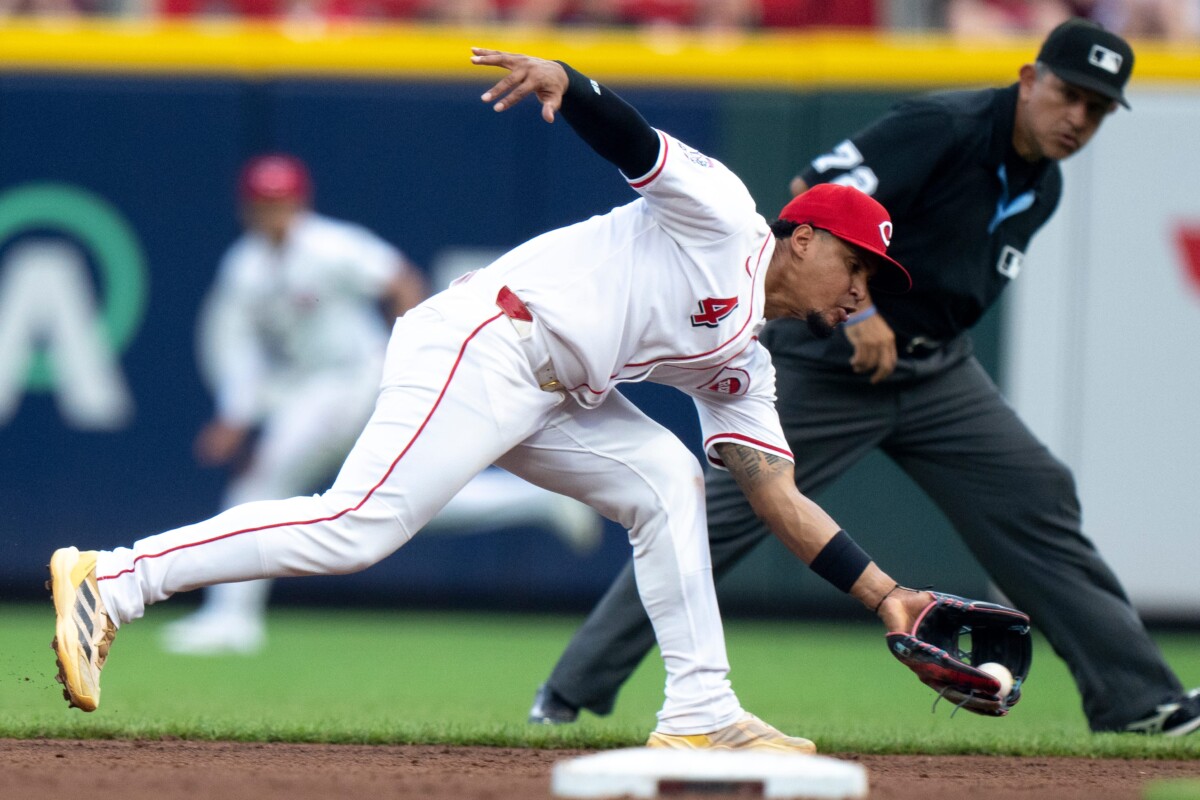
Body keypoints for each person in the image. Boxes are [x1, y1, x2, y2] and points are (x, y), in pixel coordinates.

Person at [50, 46, 941, 752]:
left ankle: (702, 710)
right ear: (805, 238)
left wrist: (886, 596)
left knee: (671, 482)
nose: (861, 290)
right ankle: (114, 580)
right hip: (490, 339)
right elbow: (638, 146)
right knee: (358, 526)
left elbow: (776, 496)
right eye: (856, 264)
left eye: (873, 278)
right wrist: (571, 83)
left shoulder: (744, 365)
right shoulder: (728, 219)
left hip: (556, 392)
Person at [527, 17, 1200, 737]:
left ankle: (1139, 700)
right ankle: (568, 693)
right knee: (715, 520)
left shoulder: (1044, 186)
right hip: (832, 363)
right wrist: (857, 313)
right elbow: (813, 191)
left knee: (1037, 492)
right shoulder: (945, 125)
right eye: (1069, 94)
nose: (1078, 117)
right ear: (1030, 80)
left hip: (937, 374)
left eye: (1097, 109)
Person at [162, 153, 603, 655]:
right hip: (313, 388)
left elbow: (400, 281)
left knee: (262, 481)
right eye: (264, 203)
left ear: (299, 202)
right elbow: (237, 348)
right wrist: (235, 413)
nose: (273, 212)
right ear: (247, 208)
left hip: (357, 376)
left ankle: (231, 619)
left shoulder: (329, 244)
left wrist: (414, 353)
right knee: (408, 497)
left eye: (281, 201)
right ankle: (538, 499)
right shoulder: (244, 265)